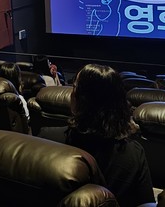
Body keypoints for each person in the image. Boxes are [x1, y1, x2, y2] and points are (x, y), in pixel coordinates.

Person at [40, 64, 154, 206]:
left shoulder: (47, 139)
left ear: (78, 100)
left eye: (75, 88)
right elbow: (146, 204)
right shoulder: (134, 155)